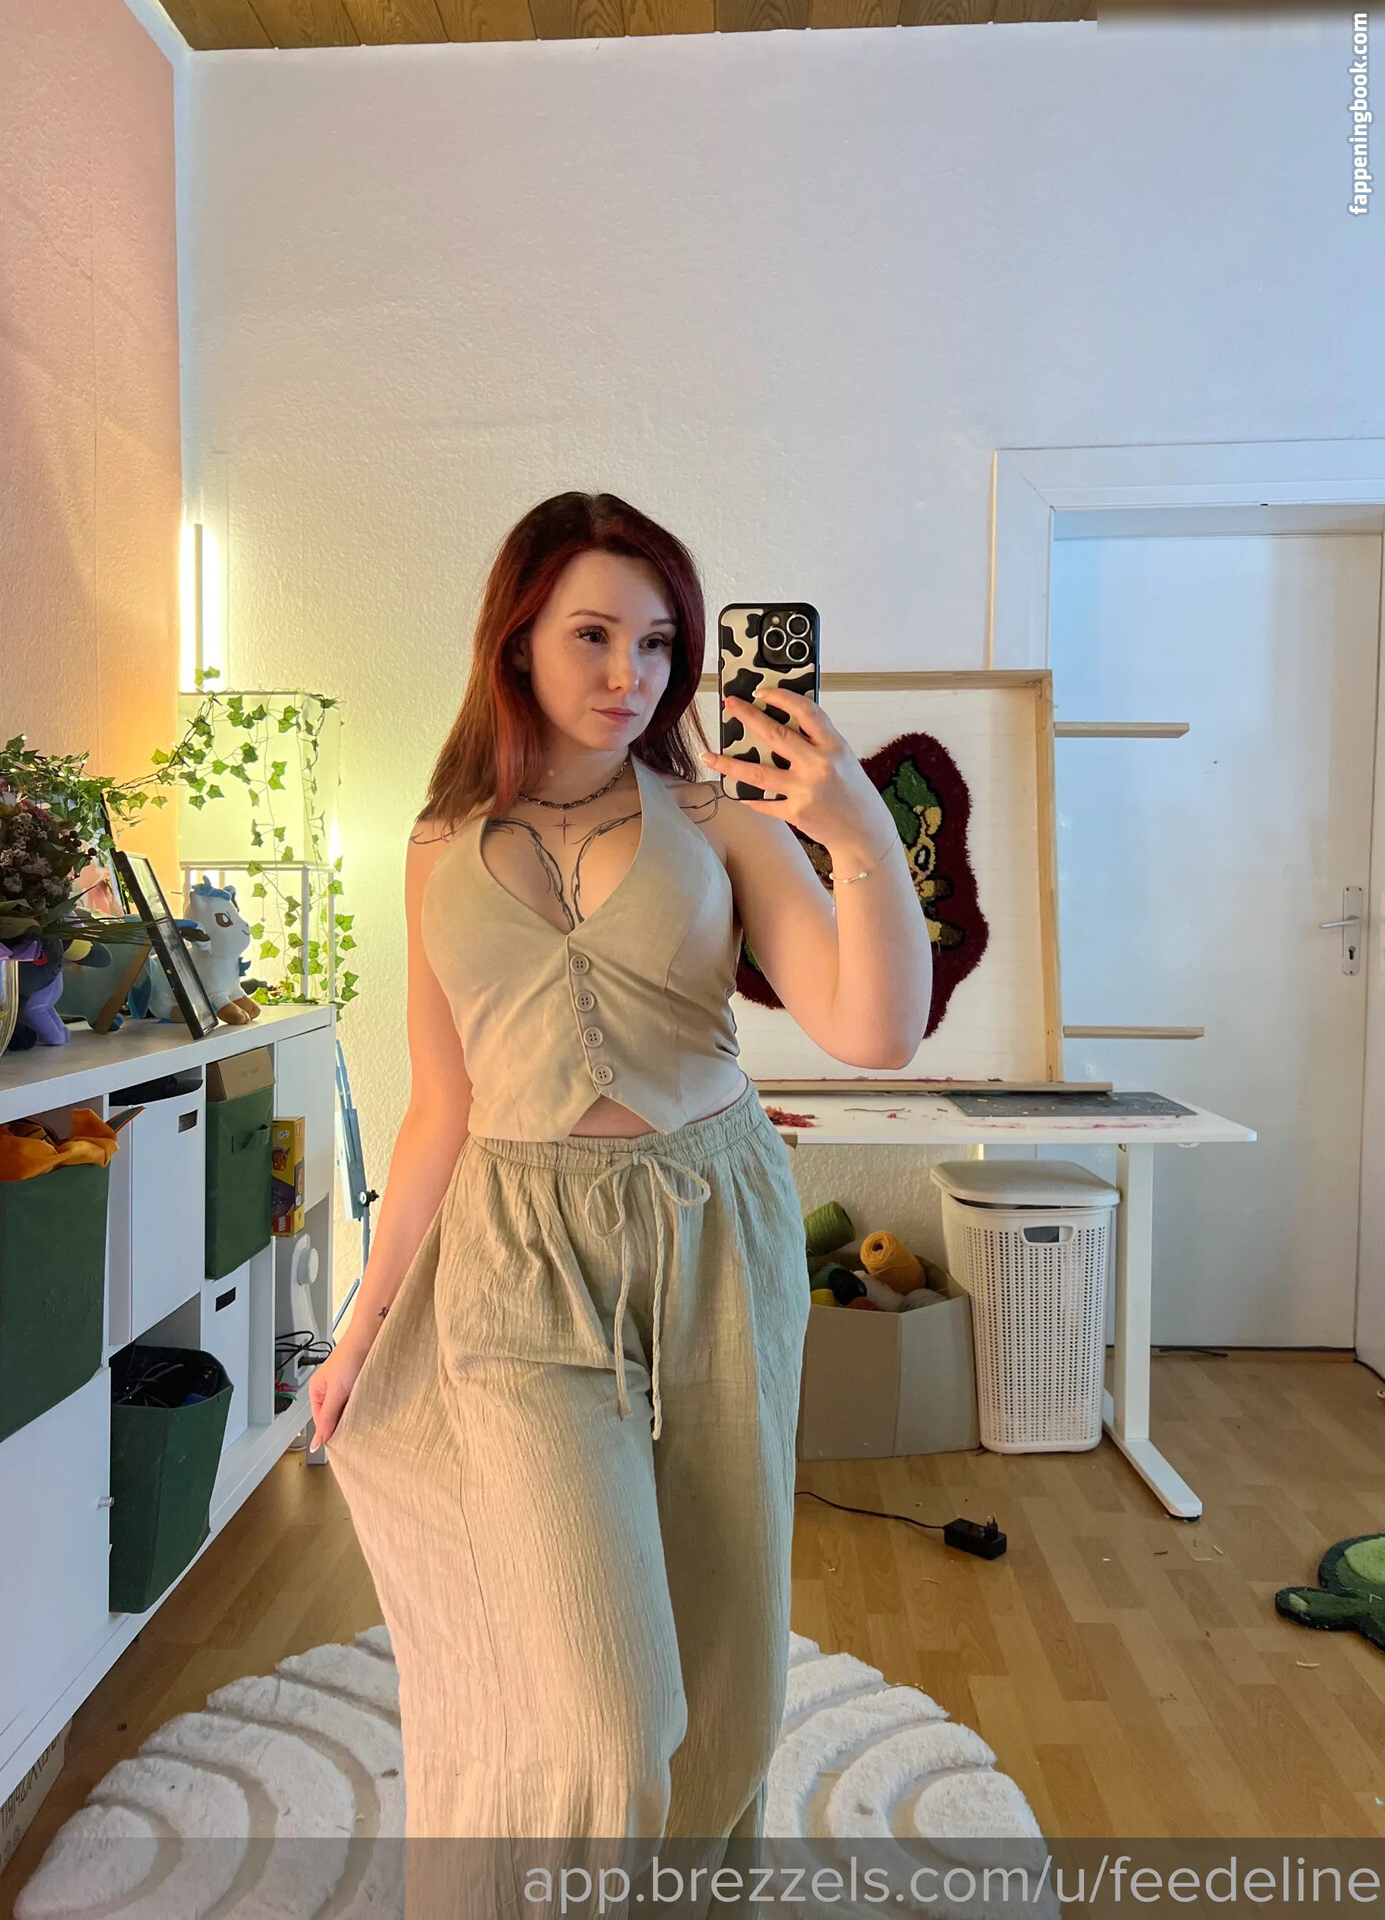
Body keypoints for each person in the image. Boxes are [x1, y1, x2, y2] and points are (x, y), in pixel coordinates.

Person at [311, 491, 932, 1914]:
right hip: (515, 1253)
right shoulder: (436, 844)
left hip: (714, 1228)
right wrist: (361, 1325)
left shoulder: (720, 817)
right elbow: (439, 1109)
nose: (630, 676)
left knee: (725, 1660)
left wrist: (855, 836)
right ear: (517, 636)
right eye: (594, 635)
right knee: (608, 1707)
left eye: (659, 645)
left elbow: (872, 1029)